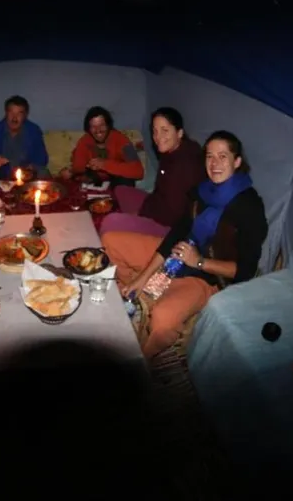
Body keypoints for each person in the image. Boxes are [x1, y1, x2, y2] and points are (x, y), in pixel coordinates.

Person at [102, 130, 268, 359]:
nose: (214, 163)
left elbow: (245, 270)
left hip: (207, 278)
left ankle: (142, 360)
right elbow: (176, 234)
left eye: (223, 156)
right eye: (209, 156)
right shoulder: (203, 191)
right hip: (179, 253)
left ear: (237, 161)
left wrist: (198, 261)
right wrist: (141, 278)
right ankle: (138, 292)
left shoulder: (250, 208)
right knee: (111, 241)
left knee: (163, 320)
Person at [100, 107, 204, 237]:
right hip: (157, 206)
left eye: (165, 130)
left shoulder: (184, 164)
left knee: (110, 222)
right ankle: (128, 224)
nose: (158, 137)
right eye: (155, 131)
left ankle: (127, 229)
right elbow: (160, 192)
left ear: (179, 133)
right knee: (121, 190)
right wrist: (143, 209)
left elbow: (172, 215)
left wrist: (141, 215)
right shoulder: (170, 151)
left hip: (169, 229)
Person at [0, 95, 49, 179]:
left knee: (44, 172)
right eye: (11, 113)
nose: (14, 118)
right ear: (6, 113)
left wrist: (32, 166)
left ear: (25, 115)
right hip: (1, 174)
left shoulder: (33, 130)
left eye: (19, 113)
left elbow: (43, 158)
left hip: (25, 174)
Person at [61, 106, 144, 187]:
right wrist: (71, 172)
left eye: (102, 125)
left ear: (108, 126)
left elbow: (138, 171)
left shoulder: (122, 141)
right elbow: (78, 166)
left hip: (117, 177)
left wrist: (104, 164)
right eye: (93, 127)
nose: (98, 130)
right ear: (88, 129)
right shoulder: (84, 141)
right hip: (95, 179)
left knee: (126, 181)